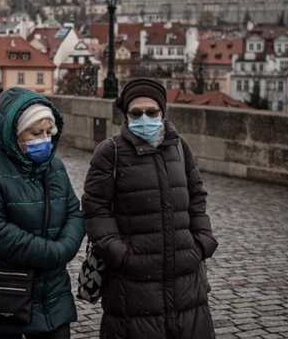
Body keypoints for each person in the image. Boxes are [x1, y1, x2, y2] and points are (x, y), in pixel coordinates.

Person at [82, 78, 218, 339]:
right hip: (132, 281)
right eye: (136, 113)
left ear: (162, 113)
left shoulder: (180, 147)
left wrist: (201, 243)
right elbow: (95, 208)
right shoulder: (110, 152)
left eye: (151, 112)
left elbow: (197, 195)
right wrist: (119, 254)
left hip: (185, 276)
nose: (144, 118)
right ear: (127, 115)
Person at [0, 87, 85, 339]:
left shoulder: (55, 167)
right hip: (4, 290)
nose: (45, 140)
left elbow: (73, 212)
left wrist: (66, 247)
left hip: (52, 290)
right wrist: (53, 253)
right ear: (14, 134)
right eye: (36, 133)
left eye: (49, 133)